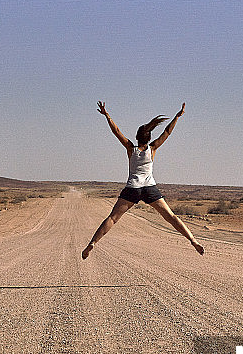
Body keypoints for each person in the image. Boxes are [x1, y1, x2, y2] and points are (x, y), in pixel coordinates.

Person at [82, 101, 205, 259]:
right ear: (149, 138)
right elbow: (167, 132)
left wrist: (107, 115)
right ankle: (193, 240)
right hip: (149, 188)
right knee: (171, 217)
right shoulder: (152, 149)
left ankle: (93, 242)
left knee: (112, 218)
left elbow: (116, 131)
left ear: (136, 137)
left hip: (132, 188)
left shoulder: (130, 148)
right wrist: (177, 116)